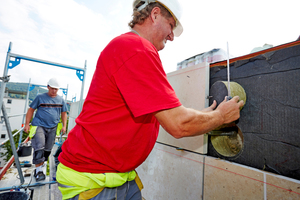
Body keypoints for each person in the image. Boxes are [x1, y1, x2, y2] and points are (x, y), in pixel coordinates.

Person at [57, 0, 244, 199]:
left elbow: (167, 114)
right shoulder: (136, 49)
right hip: (93, 180)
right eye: (171, 25)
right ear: (155, 14)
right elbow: (177, 124)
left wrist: (211, 114)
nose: (172, 36)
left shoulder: (128, 47)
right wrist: (221, 117)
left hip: (117, 175)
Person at [24, 78, 67, 182]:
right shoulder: (40, 97)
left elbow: (64, 113)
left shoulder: (61, 100)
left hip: (53, 127)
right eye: (52, 89)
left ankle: (40, 167)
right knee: (39, 147)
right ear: (48, 87)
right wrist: (27, 124)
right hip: (39, 125)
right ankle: (39, 171)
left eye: (56, 89)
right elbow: (31, 110)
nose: (54, 91)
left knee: (47, 149)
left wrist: (64, 126)